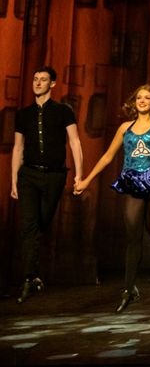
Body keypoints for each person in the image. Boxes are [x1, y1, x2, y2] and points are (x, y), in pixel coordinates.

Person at [74, 84, 150, 312]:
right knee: (133, 238)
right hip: (133, 181)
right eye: (139, 97)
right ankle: (128, 288)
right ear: (134, 102)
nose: (142, 101)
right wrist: (86, 180)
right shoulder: (125, 128)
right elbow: (107, 157)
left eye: (147, 98)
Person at [11, 66, 84, 304]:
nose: (38, 83)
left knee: (41, 222)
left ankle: (33, 274)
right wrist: (13, 180)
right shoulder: (23, 114)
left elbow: (75, 142)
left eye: (43, 80)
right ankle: (29, 277)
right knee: (29, 226)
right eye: (35, 79)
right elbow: (18, 148)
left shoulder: (63, 111)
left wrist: (79, 175)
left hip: (54, 175)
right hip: (28, 175)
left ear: (52, 84)